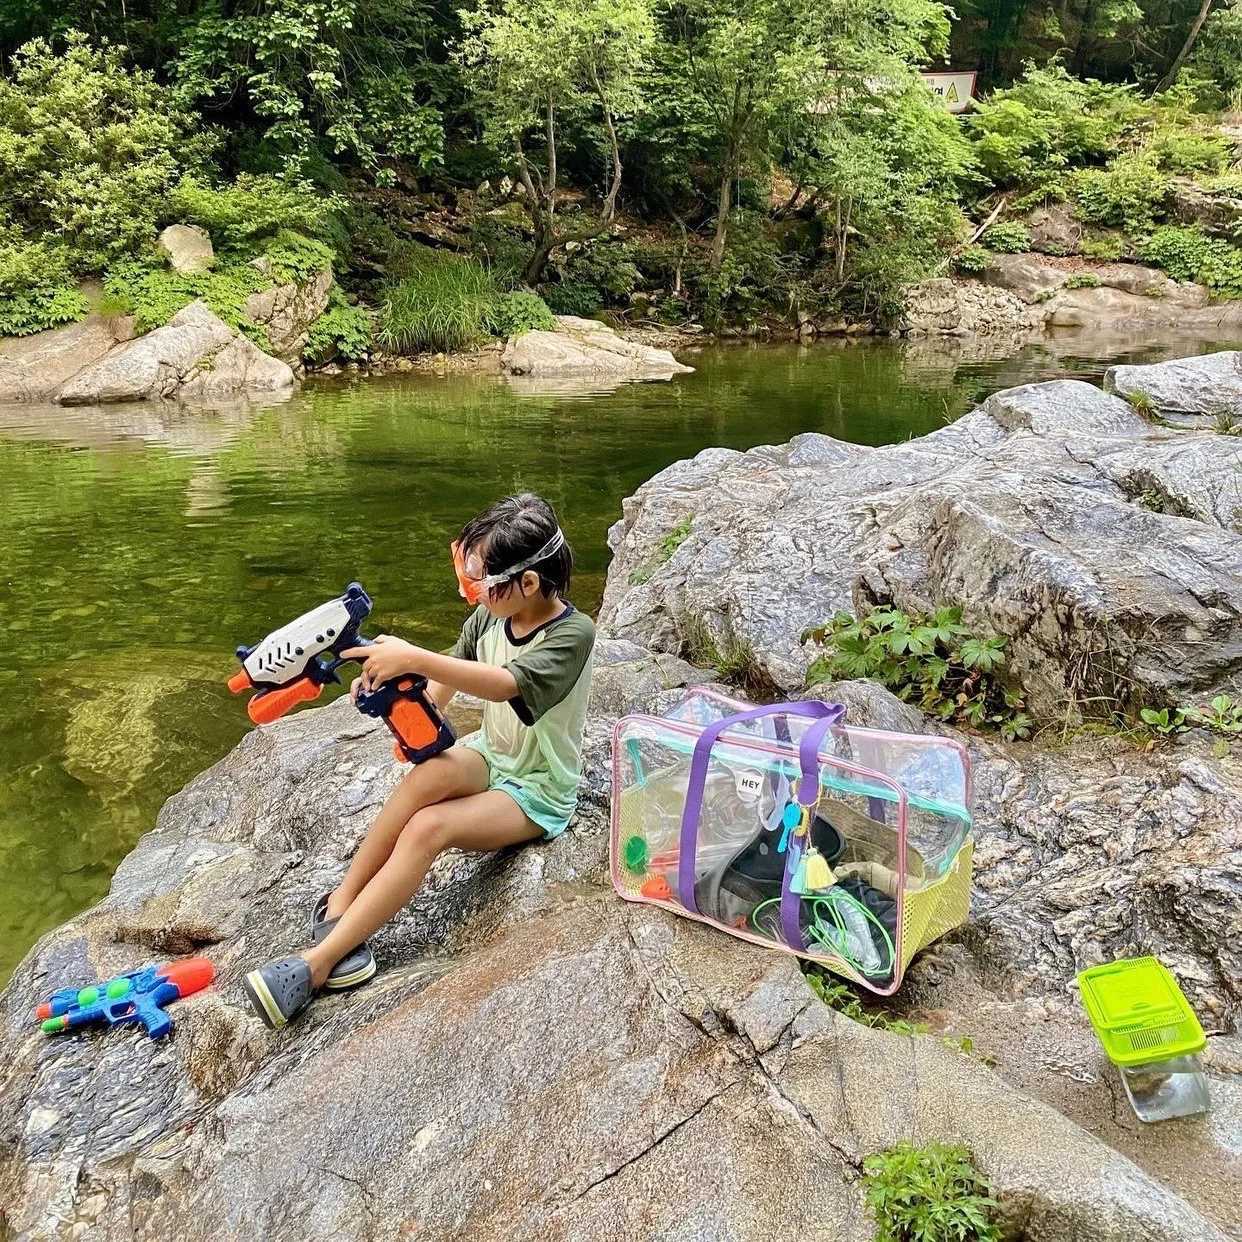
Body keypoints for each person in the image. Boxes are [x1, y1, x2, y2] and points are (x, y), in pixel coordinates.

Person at [242, 494, 596, 1029]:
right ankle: (339, 906)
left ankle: (315, 967)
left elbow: (505, 685)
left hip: (538, 789)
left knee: (429, 827)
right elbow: (444, 685)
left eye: (483, 580)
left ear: (527, 583)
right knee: (421, 781)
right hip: (493, 756)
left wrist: (412, 654)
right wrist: (398, 692)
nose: (473, 591)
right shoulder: (489, 618)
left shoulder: (573, 635)